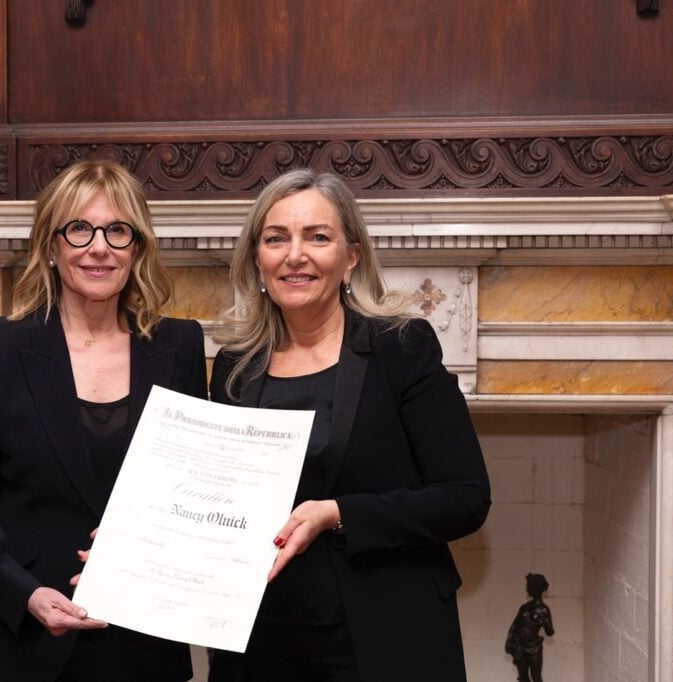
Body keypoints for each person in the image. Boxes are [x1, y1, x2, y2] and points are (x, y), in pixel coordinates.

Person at [207, 169, 490, 681]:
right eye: (276, 239)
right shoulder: (235, 365)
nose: (295, 255)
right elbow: (217, 494)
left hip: (386, 634)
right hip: (260, 637)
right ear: (257, 260)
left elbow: (465, 498)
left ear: (350, 257)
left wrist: (336, 513)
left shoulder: (402, 348)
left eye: (318, 236)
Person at [0, 160, 205, 682]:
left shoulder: (180, 345)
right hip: (21, 637)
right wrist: (25, 594)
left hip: (142, 639)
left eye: (117, 230)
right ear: (51, 247)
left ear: (137, 248)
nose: (98, 247)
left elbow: (192, 496)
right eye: (79, 229)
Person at [505, 573, 554, 682]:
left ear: (537, 588)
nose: (527, 588)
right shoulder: (524, 608)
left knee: (536, 677)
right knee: (523, 677)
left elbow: (550, 632)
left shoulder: (543, 610)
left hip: (534, 647)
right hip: (519, 646)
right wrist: (508, 641)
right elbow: (514, 625)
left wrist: (542, 621)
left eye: (529, 586)